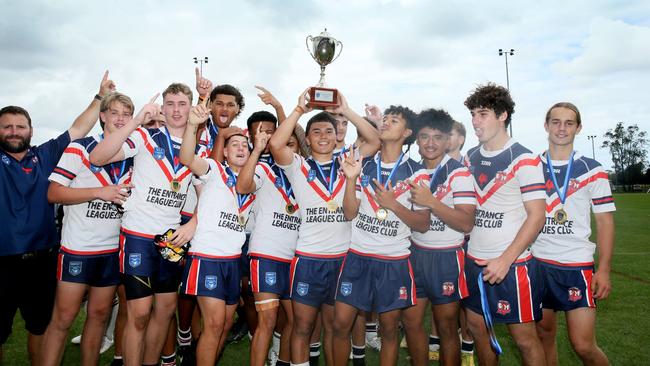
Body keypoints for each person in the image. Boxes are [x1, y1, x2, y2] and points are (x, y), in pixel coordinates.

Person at [0, 71, 112, 364]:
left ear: (30, 130)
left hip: (41, 260)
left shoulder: (44, 155)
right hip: (2, 262)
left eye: (20, 126)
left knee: (40, 326)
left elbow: (77, 129)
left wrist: (99, 97)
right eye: (7, 127)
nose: (14, 131)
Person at [268, 89, 379, 366]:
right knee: (303, 327)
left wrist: (348, 111)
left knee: (335, 328)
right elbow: (276, 144)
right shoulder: (298, 166)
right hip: (308, 259)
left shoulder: (349, 161)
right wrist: (297, 111)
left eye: (329, 131)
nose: (323, 136)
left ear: (337, 135)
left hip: (342, 260)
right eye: (316, 132)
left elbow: (375, 140)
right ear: (307, 138)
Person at [89, 83, 197, 365]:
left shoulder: (199, 144)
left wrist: (194, 223)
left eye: (182, 103)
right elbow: (97, 157)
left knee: (165, 310)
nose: (176, 110)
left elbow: (210, 192)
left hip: (171, 240)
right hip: (138, 235)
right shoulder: (145, 136)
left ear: (190, 106)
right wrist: (136, 120)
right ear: (162, 107)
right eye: (170, 104)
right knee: (138, 315)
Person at [40, 92, 135, 366]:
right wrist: (99, 192)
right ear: (102, 116)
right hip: (78, 249)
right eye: (114, 113)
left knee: (99, 315)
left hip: (111, 250)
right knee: (64, 318)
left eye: (126, 114)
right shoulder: (80, 148)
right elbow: (53, 193)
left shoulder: (132, 152)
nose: (120, 119)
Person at [333, 105, 430, 366]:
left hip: (393, 260)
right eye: (384, 119)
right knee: (341, 324)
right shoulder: (363, 164)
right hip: (358, 256)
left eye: (394, 120)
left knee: (388, 330)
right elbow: (350, 213)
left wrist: (394, 205)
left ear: (407, 132)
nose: (385, 123)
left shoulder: (417, 173)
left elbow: (422, 224)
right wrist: (351, 179)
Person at [461, 83, 547, 365]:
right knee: (479, 332)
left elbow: (537, 216)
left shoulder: (524, 158)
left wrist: (505, 260)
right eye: (473, 114)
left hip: (513, 266)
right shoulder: (470, 157)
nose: (475, 121)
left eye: (483, 114)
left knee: (525, 339)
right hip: (474, 262)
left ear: (503, 115)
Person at [533, 102, 615, 366]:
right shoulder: (530, 167)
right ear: (546, 125)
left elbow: (605, 223)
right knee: (543, 336)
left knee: (583, 344)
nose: (561, 128)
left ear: (578, 128)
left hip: (576, 265)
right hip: (537, 263)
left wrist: (603, 270)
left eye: (569, 123)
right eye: (555, 122)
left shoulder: (593, 169)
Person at [178, 99, 255, 365]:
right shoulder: (214, 170)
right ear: (224, 152)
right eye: (234, 144)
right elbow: (186, 157)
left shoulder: (256, 181)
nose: (240, 147)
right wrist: (191, 125)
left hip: (233, 260)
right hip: (207, 258)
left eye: (245, 145)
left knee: (224, 326)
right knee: (213, 323)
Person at [402, 108, 476, 366]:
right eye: (424, 137)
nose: (430, 143)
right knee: (410, 322)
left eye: (437, 137)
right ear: (417, 141)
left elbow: (466, 222)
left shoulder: (460, 173)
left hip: (447, 258)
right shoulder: (413, 174)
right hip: (415, 254)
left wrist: (432, 202)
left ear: (447, 140)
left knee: (446, 327)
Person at [236, 109, 298, 366]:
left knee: (294, 321)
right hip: (267, 254)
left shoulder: (303, 171)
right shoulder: (262, 168)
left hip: (297, 254)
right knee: (268, 320)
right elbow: (243, 186)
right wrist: (256, 151)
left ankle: (281, 361)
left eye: (290, 143)